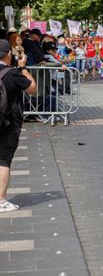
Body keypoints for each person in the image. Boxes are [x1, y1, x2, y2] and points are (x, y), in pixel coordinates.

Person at [0, 39, 37, 212]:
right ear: (8, 54)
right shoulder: (12, 73)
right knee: (3, 160)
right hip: (7, 122)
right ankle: (1, 200)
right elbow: (32, 88)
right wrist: (23, 68)